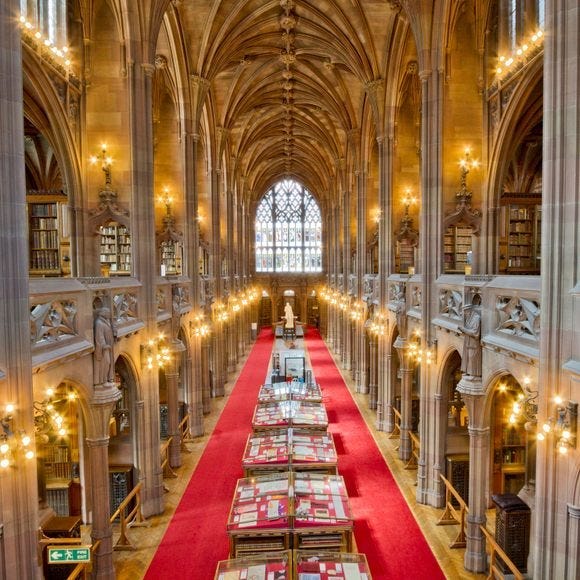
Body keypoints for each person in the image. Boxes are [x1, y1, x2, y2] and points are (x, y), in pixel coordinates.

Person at [458, 297, 482, 377]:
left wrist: (463, 330)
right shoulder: (469, 318)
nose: (465, 314)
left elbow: (476, 333)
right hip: (468, 343)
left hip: (474, 344)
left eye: (466, 312)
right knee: (468, 358)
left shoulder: (476, 318)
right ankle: (469, 372)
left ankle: (474, 374)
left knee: (472, 358)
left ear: (470, 310)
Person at [94, 307, 115, 385]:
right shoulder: (99, 323)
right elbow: (99, 336)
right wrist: (104, 345)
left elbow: (110, 329)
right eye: (108, 313)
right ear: (103, 313)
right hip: (103, 348)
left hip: (109, 346)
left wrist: (114, 333)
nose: (109, 314)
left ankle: (108, 378)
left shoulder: (107, 321)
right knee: (106, 362)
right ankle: (103, 380)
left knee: (109, 363)